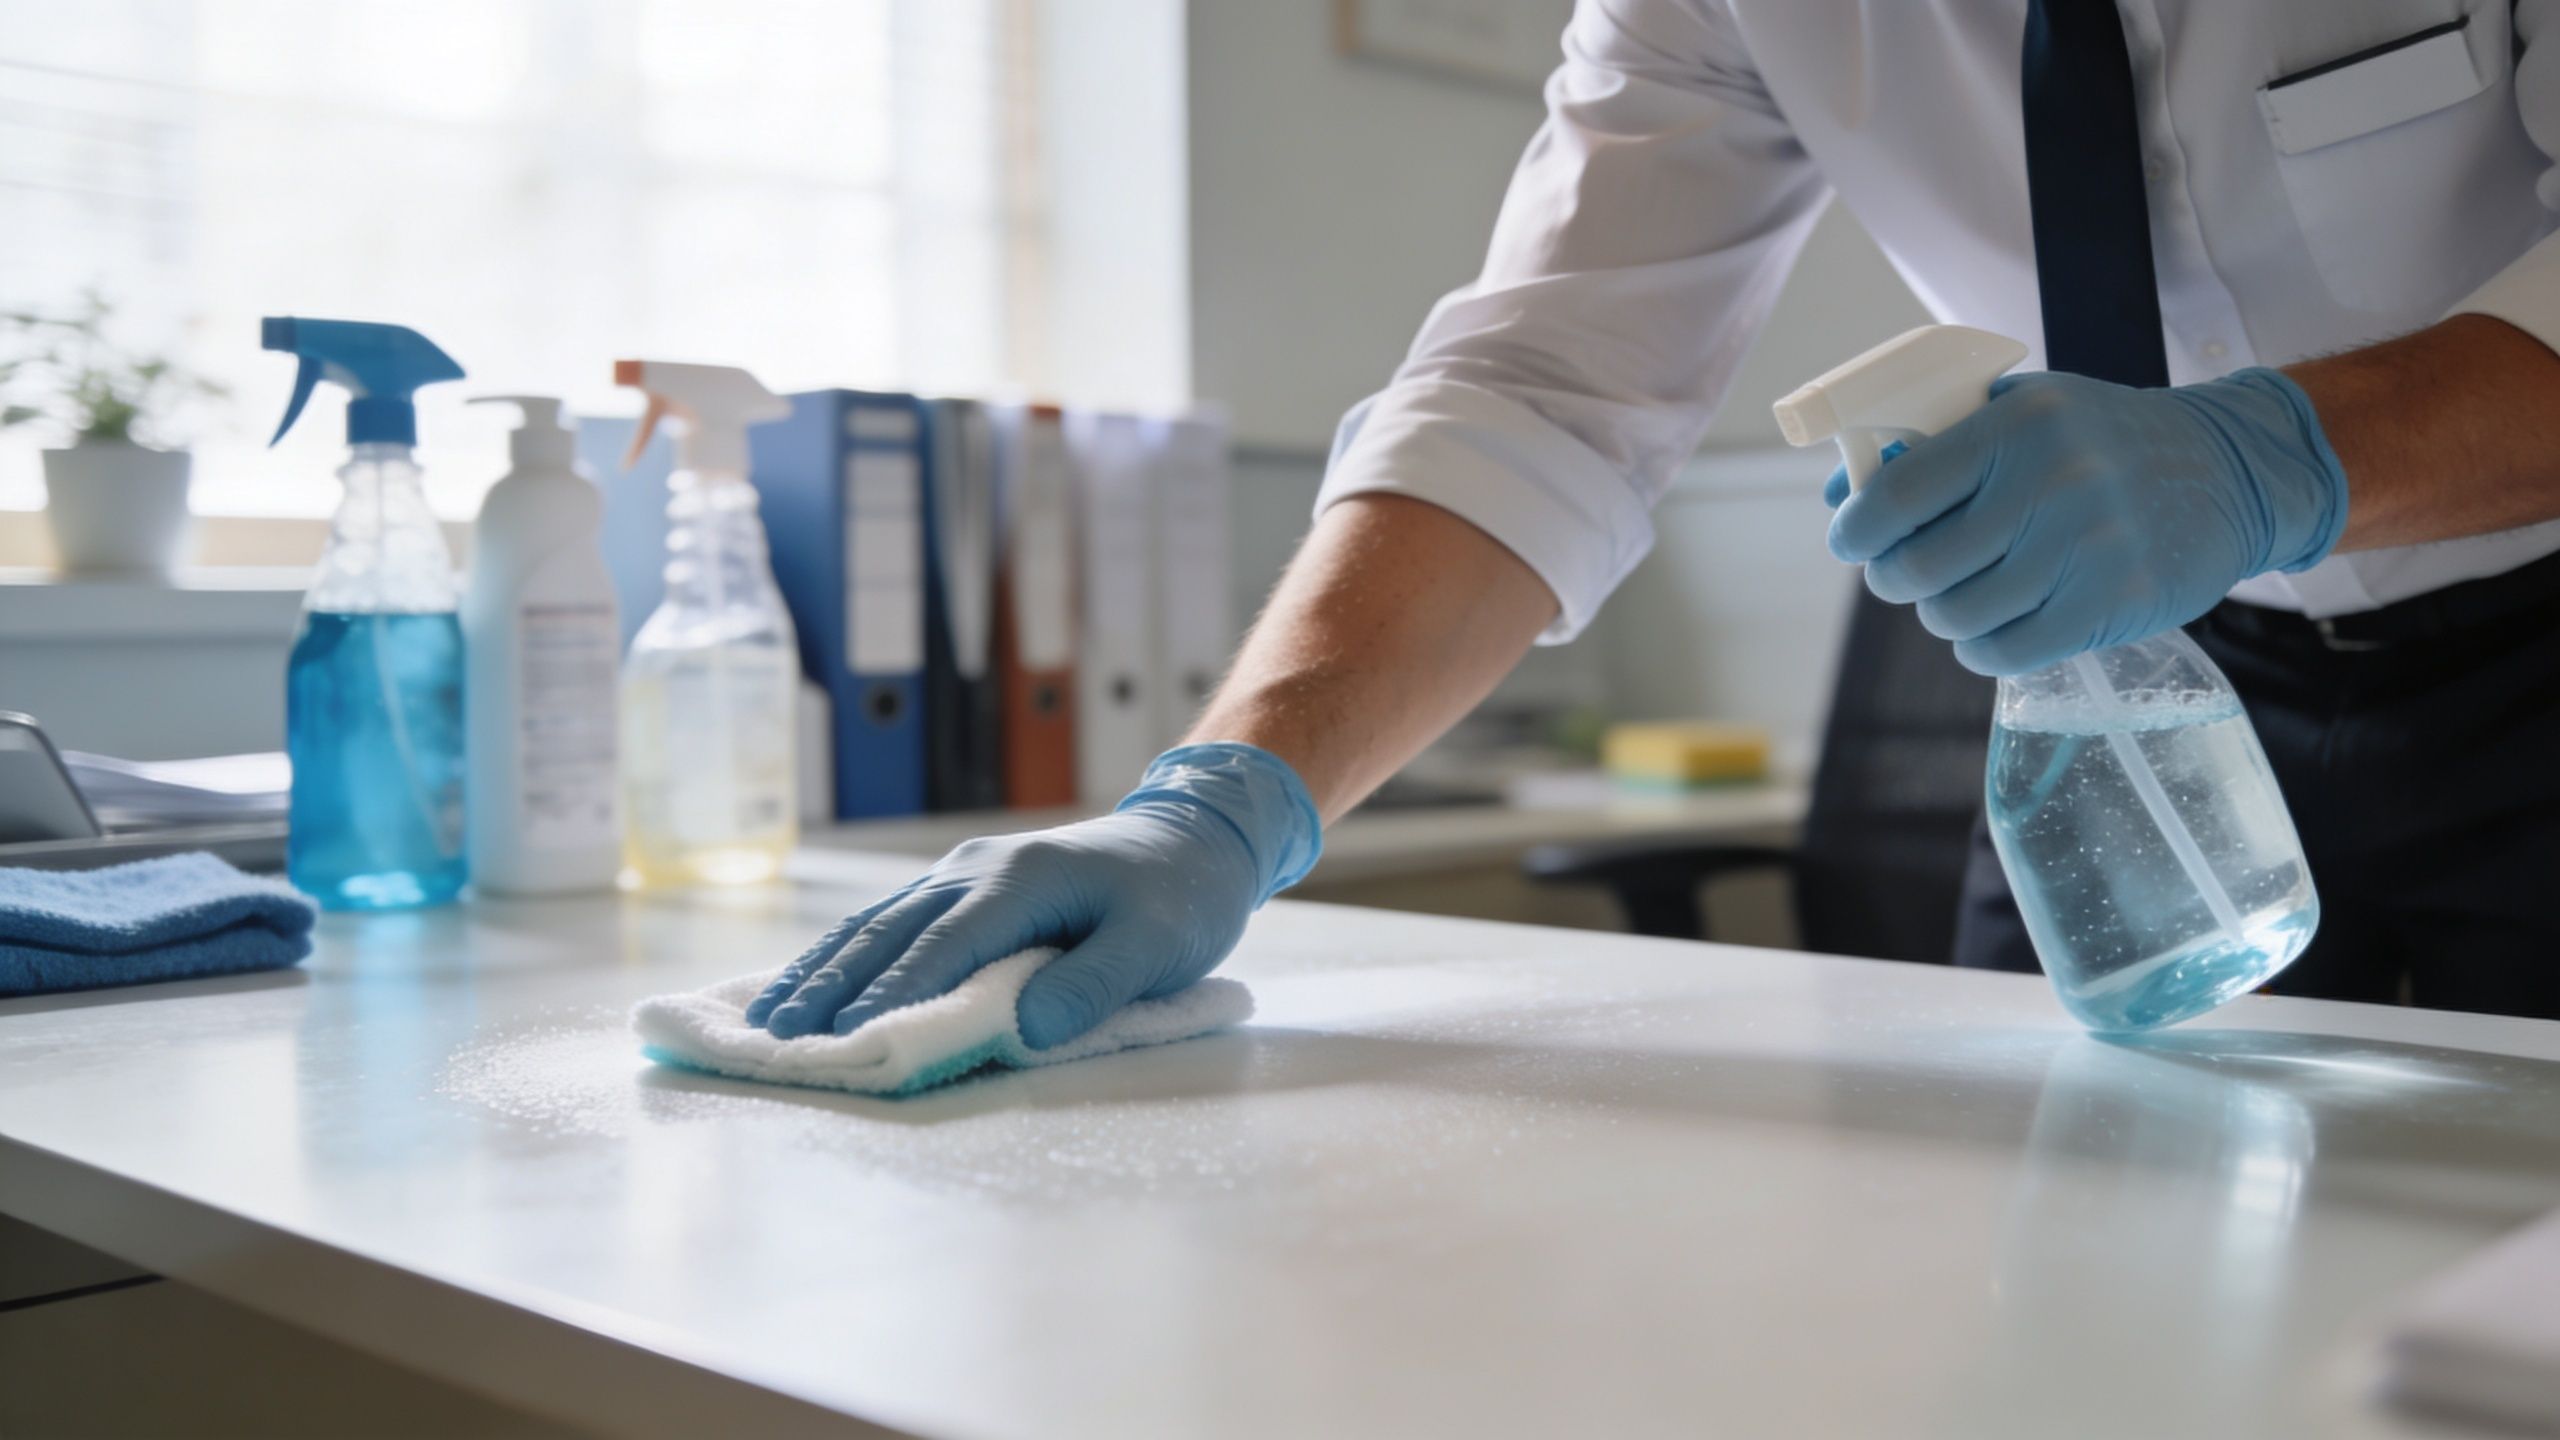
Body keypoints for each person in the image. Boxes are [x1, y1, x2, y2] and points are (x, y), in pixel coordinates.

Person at [751, 0, 2560, 1046]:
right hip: (2161, 675)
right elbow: (1547, 387)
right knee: (2100, 1268)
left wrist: (2267, 455)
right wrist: (1226, 796)